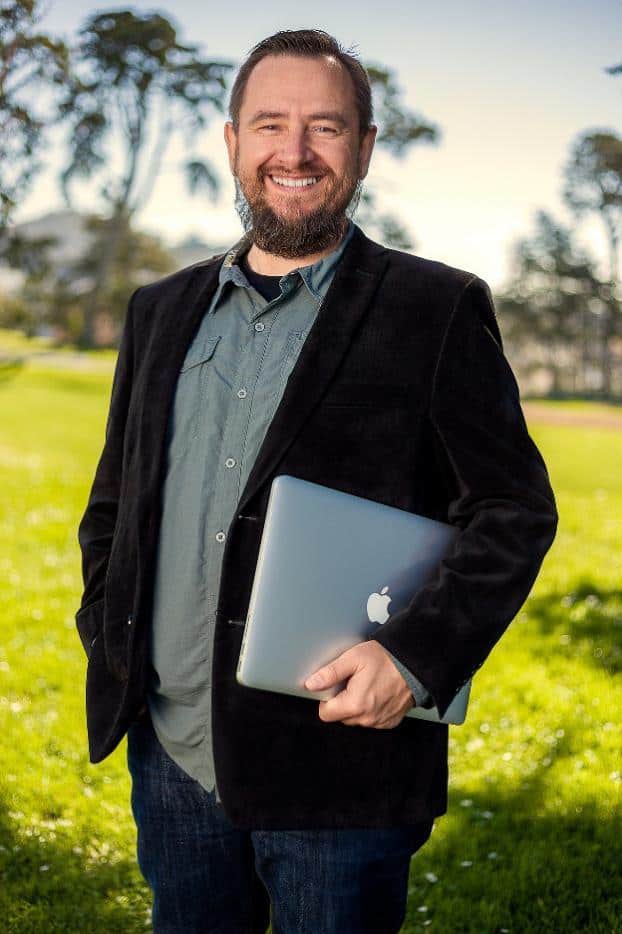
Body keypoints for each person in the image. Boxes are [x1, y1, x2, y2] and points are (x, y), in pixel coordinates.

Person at [75, 28, 558, 934]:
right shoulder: (158, 310)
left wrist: (414, 660)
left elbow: (512, 511)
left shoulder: (436, 308)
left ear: (364, 148)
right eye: (269, 124)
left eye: (325, 127)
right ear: (233, 142)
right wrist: (107, 627)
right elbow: (115, 503)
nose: (293, 152)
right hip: (171, 751)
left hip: (341, 762)